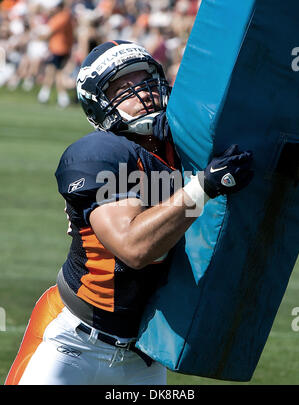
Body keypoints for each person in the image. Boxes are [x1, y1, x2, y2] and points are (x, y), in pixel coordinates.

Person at [5, 40, 253, 385]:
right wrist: (202, 188)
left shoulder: (183, 145)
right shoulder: (98, 151)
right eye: (125, 86)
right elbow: (134, 248)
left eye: (146, 80)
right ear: (99, 104)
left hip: (144, 352)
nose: (144, 93)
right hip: (71, 343)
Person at [37, 0, 74, 108]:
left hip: (59, 49)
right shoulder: (62, 16)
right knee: (53, 72)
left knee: (55, 73)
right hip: (59, 48)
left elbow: (47, 34)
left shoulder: (62, 17)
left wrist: (37, 34)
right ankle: (50, 96)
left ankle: (58, 97)